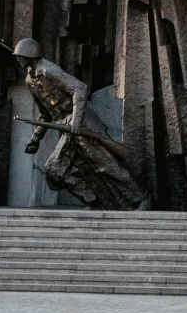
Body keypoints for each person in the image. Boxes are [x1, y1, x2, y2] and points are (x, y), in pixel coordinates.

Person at [12, 37, 147, 210]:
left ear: (30, 54)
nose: (18, 59)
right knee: (54, 170)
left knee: (107, 165)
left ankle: (142, 198)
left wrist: (76, 120)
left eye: (20, 55)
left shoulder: (48, 70)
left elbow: (79, 88)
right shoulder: (30, 81)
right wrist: (35, 139)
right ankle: (93, 201)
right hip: (66, 130)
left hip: (82, 124)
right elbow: (45, 114)